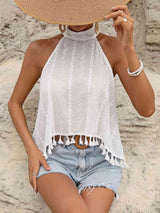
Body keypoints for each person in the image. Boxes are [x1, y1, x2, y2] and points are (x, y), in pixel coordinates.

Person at [8, 0, 155, 212]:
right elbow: (14, 103)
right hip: (54, 159)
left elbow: (147, 109)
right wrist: (31, 150)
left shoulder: (113, 48)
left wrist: (128, 48)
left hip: (101, 160)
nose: (77, 16)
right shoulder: (39, 50)